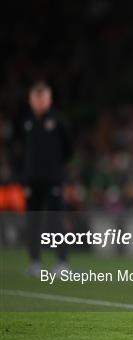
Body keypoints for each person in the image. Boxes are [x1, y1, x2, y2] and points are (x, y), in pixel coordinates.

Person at [17, 81, 73, 276]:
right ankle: (34, 262)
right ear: (31, 100)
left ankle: (61, 262)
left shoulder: (58, 121)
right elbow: (21, 152)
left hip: (53, 179)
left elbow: (68, 149)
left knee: (56, 220)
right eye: (36, 98)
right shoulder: (26, 123)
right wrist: (25, 176)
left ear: (49, 99)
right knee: (33, 221)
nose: (39, 102)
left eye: (43, 98)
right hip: (32, 181)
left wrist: (56, 170)